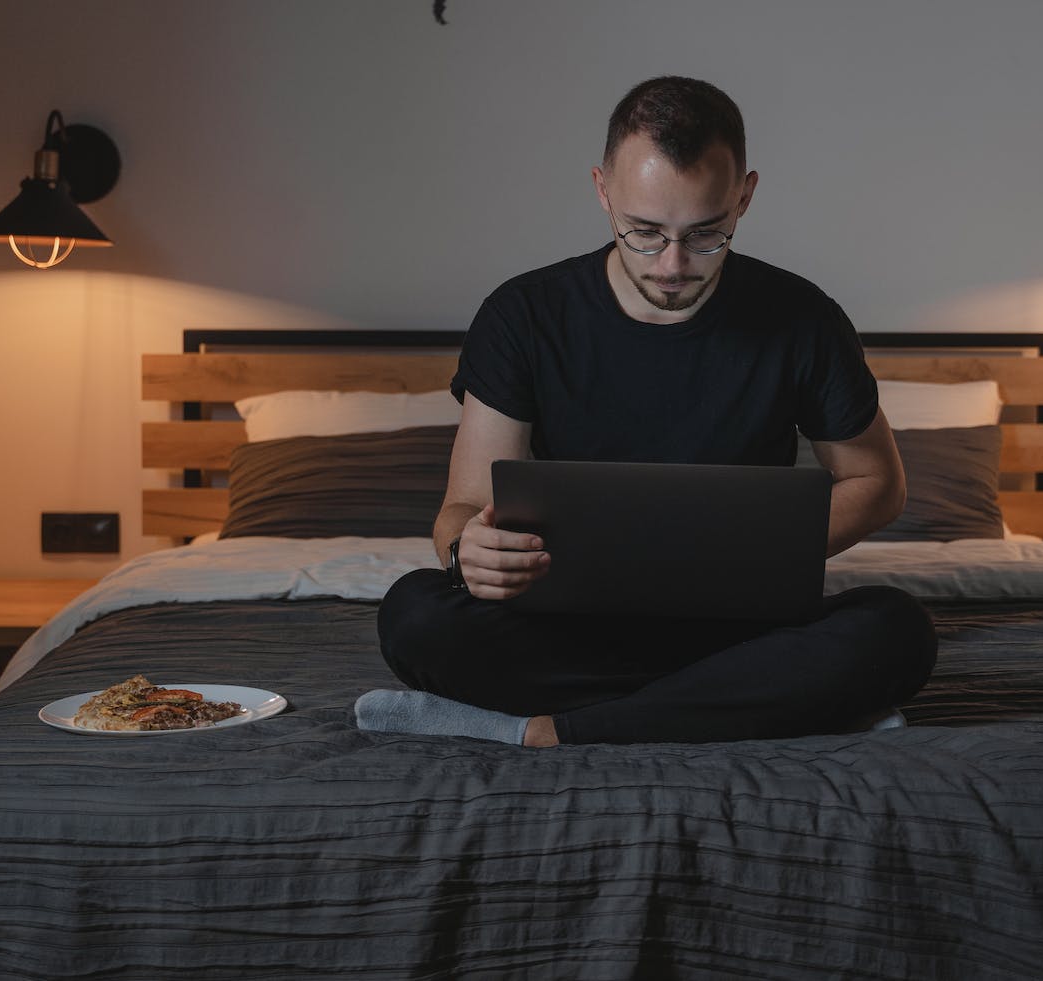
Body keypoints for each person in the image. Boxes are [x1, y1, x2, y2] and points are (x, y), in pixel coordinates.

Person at [355, 75, 937, 746]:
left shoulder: (804, 318)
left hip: (740, 628)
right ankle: (732, 705)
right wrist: (469, 552)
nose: (672, 264)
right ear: (603, 191)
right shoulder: (523, 316)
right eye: (644, 232)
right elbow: (461, 508)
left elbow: (879, 482)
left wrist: (753, 556)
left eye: (706, 233)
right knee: (413, 613)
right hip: (568, 630)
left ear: (744, 197)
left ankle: (554, 729)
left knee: (897, 629)